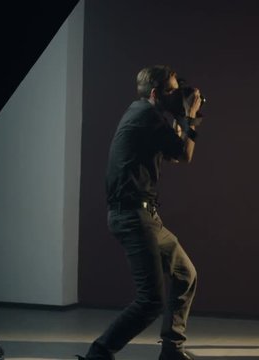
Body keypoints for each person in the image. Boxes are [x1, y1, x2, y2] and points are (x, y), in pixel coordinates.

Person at [78, 65, 202, 360]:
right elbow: (185, 155)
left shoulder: (145, 113)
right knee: (150, 300)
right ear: (156, 94)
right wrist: (189, 117)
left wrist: (182, 118)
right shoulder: (145, 116)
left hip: (145, 215)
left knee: (185, 275)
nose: (176, 95)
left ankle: (172, 349)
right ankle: (99, 353)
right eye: (171, 91)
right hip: (132, 216)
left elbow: (173, 154)